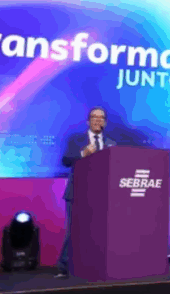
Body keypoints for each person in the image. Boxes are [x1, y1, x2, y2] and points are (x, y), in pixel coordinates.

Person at [56, 107, 117, 279]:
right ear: (88, 121)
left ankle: (93, 265)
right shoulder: (76, 140)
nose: (97, 120)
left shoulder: (111, 143)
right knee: (73, 231)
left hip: (101, 195)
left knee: (98, 232)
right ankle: (64, 267)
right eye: (94, 117)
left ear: (105, 122)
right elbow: (65, 160)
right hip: (77, 193)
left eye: (101, 117)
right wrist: (83, 153)